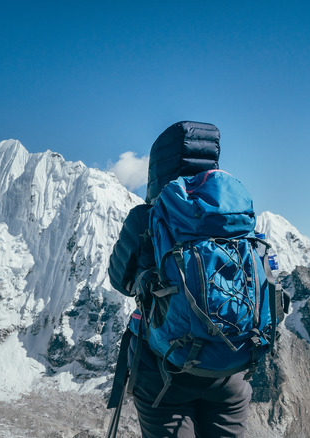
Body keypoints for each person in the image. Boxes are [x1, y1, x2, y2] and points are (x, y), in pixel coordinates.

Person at [107, 121, 252, 437]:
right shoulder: (232, 216)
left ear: (158, 166)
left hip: (164, 372)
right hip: (229, 369)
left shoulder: (145, 217)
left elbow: (119, 279)